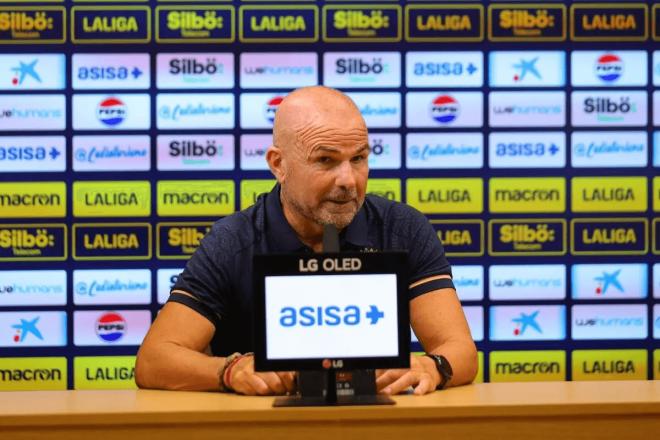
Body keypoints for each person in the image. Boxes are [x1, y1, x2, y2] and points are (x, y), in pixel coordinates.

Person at [136, 86, 477, 395]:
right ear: (279, 164)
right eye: (325, 160)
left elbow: (458, 348)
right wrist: (228, 370)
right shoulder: (233, 240)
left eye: (358, 158)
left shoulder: (402, 227)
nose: (348, 180)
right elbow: (154, 361)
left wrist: (434, 366)